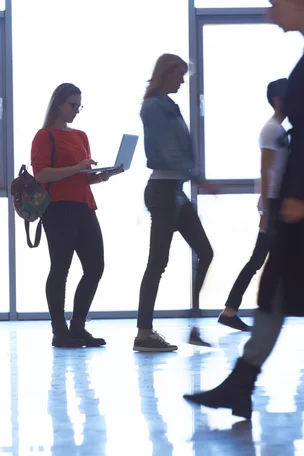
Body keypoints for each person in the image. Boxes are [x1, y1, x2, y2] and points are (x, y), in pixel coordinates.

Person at [184, 0, 304, 420]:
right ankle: (239, 385)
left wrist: (295, 195)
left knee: (273, 287)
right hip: (290, 205)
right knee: (272, 290)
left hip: (296, 205)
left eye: (275, 5)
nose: (270, 14)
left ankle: (239, 385)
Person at [133, 54, 218, 353]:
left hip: (175, 191)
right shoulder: (156, 107)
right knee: (157, 262)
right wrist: (199, 177)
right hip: (163, 190)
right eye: (179, 74)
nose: (182, 80)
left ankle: (192, 325)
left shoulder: (167, 105)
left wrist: (193, 177)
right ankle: (144, 333)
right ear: (166, 73)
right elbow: (169, 151)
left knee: (205, 253)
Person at [31, 83, 123, 348]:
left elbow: (81, 178)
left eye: (79, 106)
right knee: (60, 269)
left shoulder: (81, 136)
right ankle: (59, 331)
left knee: (95, 267)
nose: (76, 111)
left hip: (84, 206)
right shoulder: (44, 136)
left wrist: (102, 176)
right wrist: (75, 168)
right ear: (59, 104)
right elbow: (41, 175)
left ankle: (78, 326)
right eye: (73, 105)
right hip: (58, 209)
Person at [218, 79, 289, 332]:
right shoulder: (272, 130)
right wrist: (268, 209)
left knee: (258, 260)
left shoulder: (277, 130)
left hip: (275, 204)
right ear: (279, 100)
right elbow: (266, 170)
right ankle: (231, 310)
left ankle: (230, 310)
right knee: (257, 260)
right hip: (274, 206)